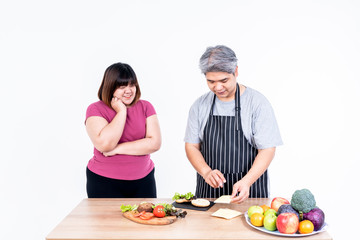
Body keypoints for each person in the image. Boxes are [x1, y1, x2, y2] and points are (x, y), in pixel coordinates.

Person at [184, 45, 282, 203]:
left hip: (250, 191)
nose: (218, 87)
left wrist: (246, 182)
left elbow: (267, 149)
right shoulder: (200, 105)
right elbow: (191, 146)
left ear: (235, 71)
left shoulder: (257, 103)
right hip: (209, 193)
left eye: (224, 80)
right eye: (211, 81)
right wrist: (206, 172)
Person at [85, 62, 161, 198]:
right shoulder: (95, 109)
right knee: (108, 220)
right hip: (104, 180)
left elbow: (154, 143)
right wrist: (121, 112)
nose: (129, 90)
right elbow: (105, 144)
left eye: (132, 85)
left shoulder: (146, 106)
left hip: (143, 179)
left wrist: (116, 149)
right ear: (110, 87)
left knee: (146, 219)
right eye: (122, 86)